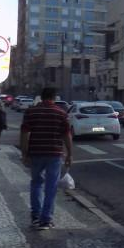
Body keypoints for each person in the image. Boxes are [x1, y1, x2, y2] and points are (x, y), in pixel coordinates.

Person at [20, 86, 73, 230]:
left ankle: (35, 217)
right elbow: (66, 135)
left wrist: (24, 153)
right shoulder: (61, 113)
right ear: (54, 98)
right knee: (51, 187)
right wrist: (69, 154)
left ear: (41, 97)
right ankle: (46, 220)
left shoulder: (31, 112)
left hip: (36, 153)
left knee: (36, 183)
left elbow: (24, 134)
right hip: (54, 154)